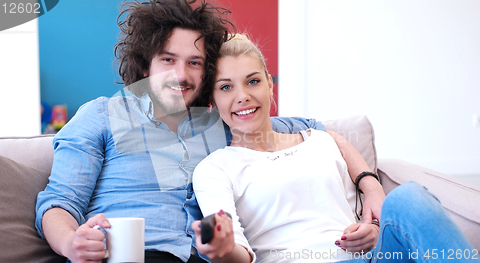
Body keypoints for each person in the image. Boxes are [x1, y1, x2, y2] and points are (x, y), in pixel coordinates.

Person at [35, 1, 384, 262]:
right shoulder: (102, 115)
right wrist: (71, 243)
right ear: (145, 64)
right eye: (168, 60)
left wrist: (369, 184)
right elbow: (58, 202)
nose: (182, 75)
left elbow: (319, 132)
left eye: (195, 63)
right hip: (132, 253)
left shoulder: (221, 122)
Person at [191, 34, 478, 263]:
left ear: (269, 85)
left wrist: (372, 231)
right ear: (213, 101)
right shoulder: (215, 168)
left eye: (253, 81)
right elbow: (237, 252)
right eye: (226, 87)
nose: (242, 96)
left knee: (408, 197)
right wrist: (223, 248)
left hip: (370, 258)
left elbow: (357, 214)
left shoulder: (320, 141)